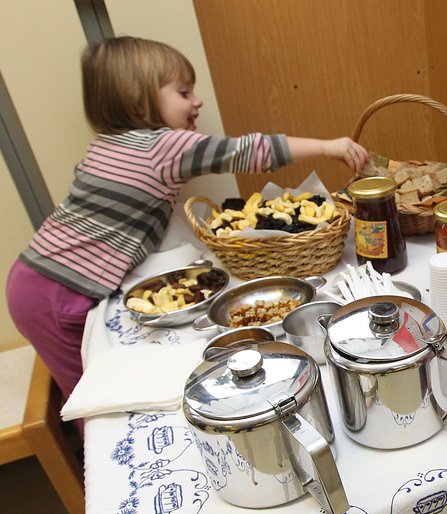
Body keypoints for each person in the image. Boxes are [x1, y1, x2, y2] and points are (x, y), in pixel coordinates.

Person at [6, 36, 368, 408]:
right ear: (137, 100)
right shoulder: (162, 147)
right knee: (92, 398)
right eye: (183, 92)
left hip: (34, 281)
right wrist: (328, 147)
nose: (197, 101)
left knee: (94, 390)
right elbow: (248, 151)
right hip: (55, 292)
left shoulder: (108, 145)